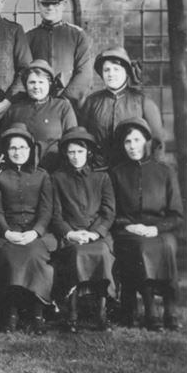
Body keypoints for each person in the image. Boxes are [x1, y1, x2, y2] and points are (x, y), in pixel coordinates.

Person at [109, 117, 183, 331]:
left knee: (167, 245)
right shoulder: (117, 173)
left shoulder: (165, 171)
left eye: (137, 140)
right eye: (127, 142)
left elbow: (176, 215)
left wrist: (155, 229)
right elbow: (112, 212)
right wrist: (130, 226)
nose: (132, 146)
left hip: (159, 229)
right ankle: (151, 311)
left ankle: (171, 310)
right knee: (141, 247)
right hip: (128, 229)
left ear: (146, 141)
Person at [0, 123, 56, 334]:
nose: (18, 152)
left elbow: (46, 211)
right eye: (13, 148)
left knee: (35, 255)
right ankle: (12, 312)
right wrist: (7, 232)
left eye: (23, 148)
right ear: (6, 151)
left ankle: (37, 313)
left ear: (30, 150)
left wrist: (35, 232)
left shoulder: (42, 175)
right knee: (10, 257)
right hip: (7, 232)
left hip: (34, 232)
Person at [50, 127, 116, 333]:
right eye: (71, 152)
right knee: (77, 253)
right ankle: (73, 313)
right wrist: (71, 233)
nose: (75, 157)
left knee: (102, 252)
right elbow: (55, 214)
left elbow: (108, 211)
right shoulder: (57, 178)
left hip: (97, 235)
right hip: (71, 235)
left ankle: (102, 313)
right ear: (65, 154)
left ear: (87, 152)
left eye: (79, 152)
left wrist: (95, 233)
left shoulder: (102, 178)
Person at [81, 47, 164, 168]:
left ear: (126, 72)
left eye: (116, 69)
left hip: (132, 173)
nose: (111, 74)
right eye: (106, 70)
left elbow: (157, 143)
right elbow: (83, 139)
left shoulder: (142, 102)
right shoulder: (91, 102)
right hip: (99, 172)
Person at [0, 59, 78, 172]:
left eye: (41, 82)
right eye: (32, 82)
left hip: (54, 171)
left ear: (49, 83)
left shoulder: (62, 107)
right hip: (21, 172)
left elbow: (72, 142)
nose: (36, 86)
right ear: (26, 84)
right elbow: (3, 145)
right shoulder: (14, 110)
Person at [26, 0, 93, 107]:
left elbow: (84, 72)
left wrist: (65, 101)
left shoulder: (77, 35)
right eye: (45, 3)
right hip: (36, 104)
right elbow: (24, 73)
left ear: (64, 4)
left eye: (55, 3)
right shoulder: (29, 37)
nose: (50, 7)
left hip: (69, 105)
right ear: (38, 4)